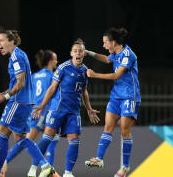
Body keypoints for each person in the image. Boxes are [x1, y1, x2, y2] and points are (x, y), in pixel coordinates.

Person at [0, 30, 55, 177]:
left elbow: (21, 83)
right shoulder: (18, 54)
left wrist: (5, 96)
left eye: (2, 40)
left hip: (18, 102)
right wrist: (3, 93)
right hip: (25, 102)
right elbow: (16, 83)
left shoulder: (16, 56)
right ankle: (45, 166)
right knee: (20, 138)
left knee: (2, 134)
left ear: (11, 41)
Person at [32, 38, 100, 177]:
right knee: (47, 138)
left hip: (73, 111)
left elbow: (84, 91)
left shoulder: (85, 71)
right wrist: (41, 106)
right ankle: (34, 167)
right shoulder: (63, 68)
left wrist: (88, 108)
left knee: (75, 140)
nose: (78, 53)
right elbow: (52, 88)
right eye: (75, 50)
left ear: (84, 54)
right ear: (71, 53)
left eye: (80, 51)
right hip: (57, 109)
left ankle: (68, 173)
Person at [84, 27, 141, 177]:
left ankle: (125, 167)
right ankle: (99, 158)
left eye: (105, 43)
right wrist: (88, 52)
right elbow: (106, 59)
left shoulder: (128, 55)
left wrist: (95, 75)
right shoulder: (115, 53)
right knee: (108, 126)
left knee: (124, 130)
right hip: (116, 96)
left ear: (113, 43)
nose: (103, 45)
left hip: (129, 96)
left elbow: (116, 76)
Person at [1, 49, 59, 177]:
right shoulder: (52, 76)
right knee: (27, 140)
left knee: (51, 139)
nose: (56, 61)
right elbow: (53, 94)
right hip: (41, 111)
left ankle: (37, 170)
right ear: (50, 61)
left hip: (31, 109)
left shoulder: (34, 76)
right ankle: (5, 162)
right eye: (55, 59)